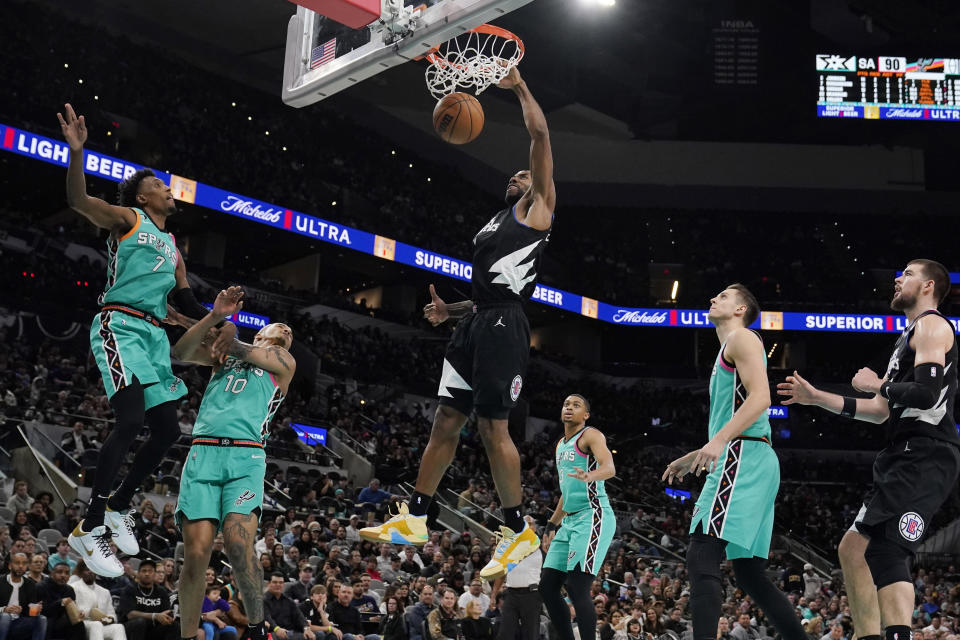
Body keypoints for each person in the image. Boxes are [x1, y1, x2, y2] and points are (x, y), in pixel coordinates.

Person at [360, 63, 555, 580]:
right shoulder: (495, 220)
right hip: (476, 322)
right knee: (446, 420)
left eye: (523, 173)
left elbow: (539, 134)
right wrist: (453, 311)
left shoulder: (539, 208)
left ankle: (517, 532)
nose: (515, 176)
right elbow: (488, 291)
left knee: (493, 428)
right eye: (512, 175)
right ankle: (418, 517)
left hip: (505, 326)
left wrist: (519, 86)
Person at [57, 103, 234, 578]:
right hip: (120, 326)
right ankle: (89, 525)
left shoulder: (174, 247)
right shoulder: (127, 219)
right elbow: (78, 201)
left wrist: (223, 321)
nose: (166, 187)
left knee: (168, 431)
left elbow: (188, 302)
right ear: (140, 195)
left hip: (154, 338)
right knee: (131, 420)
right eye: (157, 184)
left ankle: (118, 506)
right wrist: (77, 154)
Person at [777, 260, 960, 640]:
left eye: (907, 273)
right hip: (903, 451)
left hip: (925, 452)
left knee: (887, 551)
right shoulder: (907, 336)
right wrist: (815, 398)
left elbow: (925, 395)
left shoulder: (931, 325)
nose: (897, 278)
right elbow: (879, 413)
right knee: (852, 550)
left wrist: (878, 383)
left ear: (928, 286)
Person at [662, 284, 805, 640]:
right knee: (749, 574)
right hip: (753, 455)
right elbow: (740, 414)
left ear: (741, 309)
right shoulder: (731, 347)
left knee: (702, 549)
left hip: (742, 456)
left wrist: (719, 441)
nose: (713, 298)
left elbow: (760, 399)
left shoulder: (741, 339)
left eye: (723, 296)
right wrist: (697, 453)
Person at [172, 287, 296, 640]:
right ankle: (187, 635)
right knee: (196, 554)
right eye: (281, 326)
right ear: (261, 332)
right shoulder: (221, 358)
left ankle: (257, 627)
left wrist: (223, 330)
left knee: (239, 545)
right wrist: (212, 320)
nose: (287, 331)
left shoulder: (284, 362)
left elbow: (244, 348)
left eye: (290, 331)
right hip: (203, 453)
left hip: (246, 456)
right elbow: (180, 351)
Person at [540, 394, 617, 640]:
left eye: (576, 405)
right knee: (548, 587)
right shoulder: (560, 445)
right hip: (569, 520)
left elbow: (609, 467)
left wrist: (591, 475)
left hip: (593, 515)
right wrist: (551, 524)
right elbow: (566, 493)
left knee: (576, 586)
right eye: (566, 404)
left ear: (586, 415)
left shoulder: (591, 435)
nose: (569, 408)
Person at [116, 559, 177, 640]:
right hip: (130, 628)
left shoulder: (161, 592)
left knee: (173, 625)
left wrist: (168, 617)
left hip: (152, 630)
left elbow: (165, 613)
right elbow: (130, 614)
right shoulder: (130, 589)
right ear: (138, 574)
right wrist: (154, 616)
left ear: (154, 574)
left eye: (150, 571)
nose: (147, 574)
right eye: (144, 571)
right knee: (140, 622)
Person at [69, 560, 127, 640]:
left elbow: (112, 614)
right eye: (87, 570)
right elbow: (72, 612)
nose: (90, 572)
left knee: (119, 627)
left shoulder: (105, 592)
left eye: (93, 570)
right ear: (82, 572)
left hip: (101, 624)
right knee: (96, 625)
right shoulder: (73, 587)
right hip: (83, 624)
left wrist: (108, 619)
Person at [0, 552, 46, 640]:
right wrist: (4, 609)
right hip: (1, 619)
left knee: (42, 619)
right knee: (5, 616)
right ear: (10, 565)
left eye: (24, 563)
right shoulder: (1, 581)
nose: (21, 566)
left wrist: (36, 610)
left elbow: (29, 612)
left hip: (19, 621)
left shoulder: (30, 584)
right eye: (17, 563)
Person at [497, 550, 542, 640]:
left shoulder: (538, 546)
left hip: (531, 593)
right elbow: (501, 572)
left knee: (531, 634)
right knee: (505, 632)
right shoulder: (508, 547)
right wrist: (494, 594)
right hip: (511, 593)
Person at [37, 562, 85, 640]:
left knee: (78, 623)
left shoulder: (69, 589)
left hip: (61, 621)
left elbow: (72, 610)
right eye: (59, 572)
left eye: (66, 573)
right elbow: (44, 611)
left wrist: (78, 613)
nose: (63, 575)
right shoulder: (41, 586)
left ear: (69, 576)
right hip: (46, 620)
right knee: (48, 621)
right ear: (52, 573)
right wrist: (60, 603)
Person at [264, 573, 314, 640]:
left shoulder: (288, 600)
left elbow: (299, 616)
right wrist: (277, 629)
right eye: (275, 582)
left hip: (290, 632)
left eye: (281, 582)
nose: (278, 585)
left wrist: (306, 628)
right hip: (272, 632)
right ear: (268, 584)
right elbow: (267, 618)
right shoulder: (263, 600)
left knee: (311, 635)